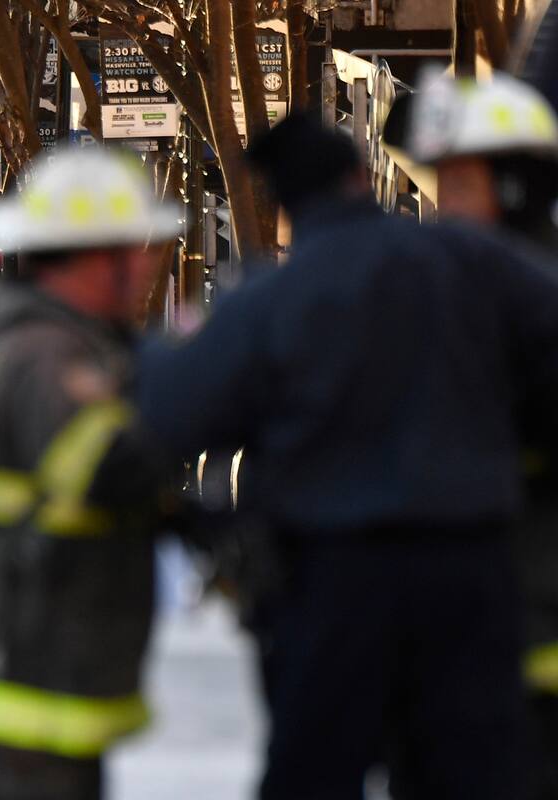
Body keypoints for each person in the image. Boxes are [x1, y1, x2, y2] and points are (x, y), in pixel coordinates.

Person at [135, 111, 558, 799]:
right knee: (473, 772)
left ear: (284, 198)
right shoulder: (468, 261)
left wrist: (156, 355)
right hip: (470, 568)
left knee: (315, 772)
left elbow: (172, 416)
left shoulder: (270, 298)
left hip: (333, 578)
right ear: (361, 177)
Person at [0, 147, 180, 800]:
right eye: (136, 249)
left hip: (33, 659)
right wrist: (191, 389)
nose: (146, 265)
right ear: (97, 256)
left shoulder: (23, 338)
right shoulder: (49, 357)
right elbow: (108, 468)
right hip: (36, 665)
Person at [398, 69, 558, 800]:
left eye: (463, 185)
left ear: (520, 182)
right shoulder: (432, 288)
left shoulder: (526, 297)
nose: (445, 205)